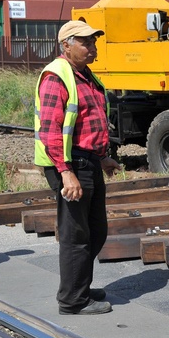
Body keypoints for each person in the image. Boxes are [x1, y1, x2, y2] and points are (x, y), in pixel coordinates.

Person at [35, 19, 121, 315]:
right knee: (76, 235)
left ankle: (79, 286)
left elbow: (89, 122)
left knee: (96, 230)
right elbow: (50, 130)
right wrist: (65, 171)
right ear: (66, 45)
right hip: (70, 164)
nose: (92, 47)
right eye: (85, 42)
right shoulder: (57, 77)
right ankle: (73, 300)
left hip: (88, 160)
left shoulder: (85, 75)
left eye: (94, 42)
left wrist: (102, 156)